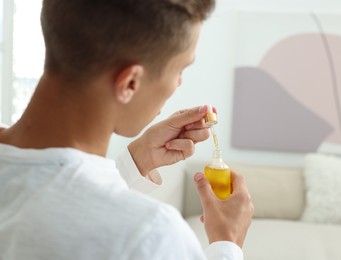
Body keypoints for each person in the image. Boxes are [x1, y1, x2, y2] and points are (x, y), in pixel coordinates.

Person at [0, 0, 254, 259]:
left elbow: (55, 201)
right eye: (180, 69)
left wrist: (137, 161)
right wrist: (227, 242)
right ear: (130, 82)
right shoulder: (150, 235)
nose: (178, 83)